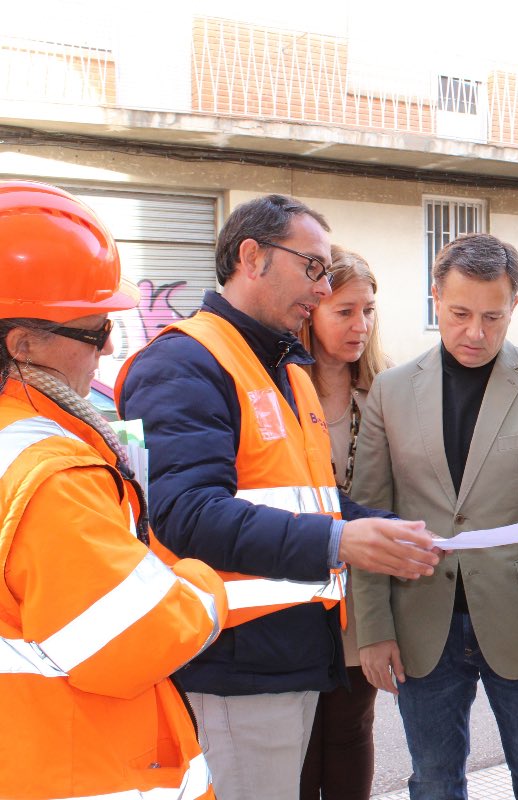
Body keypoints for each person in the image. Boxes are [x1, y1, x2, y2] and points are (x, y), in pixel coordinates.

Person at [117, 194, 442, 800]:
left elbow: (310, 501)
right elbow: (188, 514)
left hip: (286, 653)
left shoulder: (287, 370)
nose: (322, 289)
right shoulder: (184, 363)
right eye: (312, 267)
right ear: (252, 257)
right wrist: (342, 540)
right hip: (231, 665)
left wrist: (388, 529)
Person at [0, 180, 227, 799]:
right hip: (67, 768)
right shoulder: (48, 471)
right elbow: (135, 638)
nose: (107, 346)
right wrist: (201, 585)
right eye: (93, 328)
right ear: (22, 344)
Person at [353, 232, 518, 800]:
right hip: (420, 618)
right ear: (435, 297)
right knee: (433, 781)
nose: (475, 333)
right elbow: (369, 516)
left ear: (514, 306)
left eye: (493, 316)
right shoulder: (390, 391)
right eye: (460, 313)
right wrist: (373, 630)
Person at [298, 246, 390, 800]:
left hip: (364, 592)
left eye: (369, 310)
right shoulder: (279, 389)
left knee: (352, 725)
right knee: (303, 733)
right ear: (310, 311)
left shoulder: (383, 390)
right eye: (344, 311)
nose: (361, 325)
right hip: (298, 584)